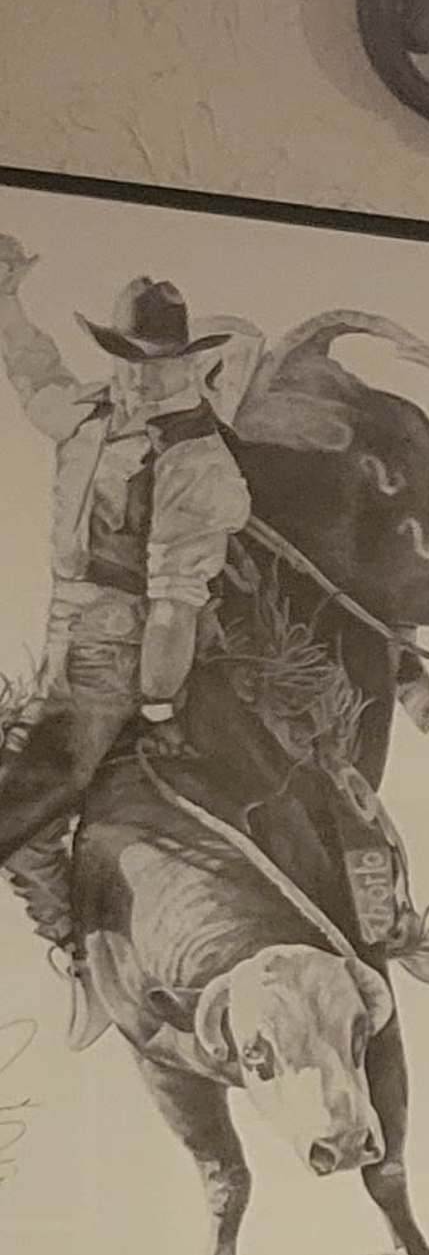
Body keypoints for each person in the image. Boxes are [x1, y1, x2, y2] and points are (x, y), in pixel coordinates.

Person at [0, 253, 256, 923]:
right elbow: (36, 377)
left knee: (13, 803)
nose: (140, 375)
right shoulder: (92, 413)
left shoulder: (195, 459)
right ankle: (71, 923)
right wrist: (7, 304)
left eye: (156, 361)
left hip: (117, 658)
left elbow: (173, 607)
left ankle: (68, 925)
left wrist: (159, 705)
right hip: (67, 643)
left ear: (185, 362)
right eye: (125, 356)